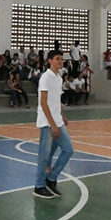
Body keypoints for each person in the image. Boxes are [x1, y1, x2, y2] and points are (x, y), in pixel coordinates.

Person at [33, 50, 72, 200]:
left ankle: (51, 178)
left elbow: (55, 101)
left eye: (61, 59)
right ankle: (39, 186)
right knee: (44, 155)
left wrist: (61, 116)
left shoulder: (58, 78)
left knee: (68, 150)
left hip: (57, 120)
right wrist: (52, 124)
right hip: (47, 122)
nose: (60, 62)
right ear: (50, 61)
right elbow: (43, 102)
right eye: (57, 59)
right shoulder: (45, 78)